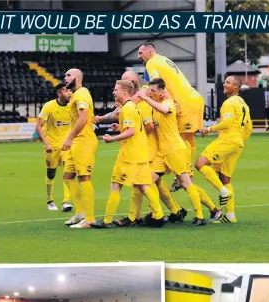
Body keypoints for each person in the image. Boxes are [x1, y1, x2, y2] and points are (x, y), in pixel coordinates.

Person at [91, 80, 165, 229]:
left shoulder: (128, 108)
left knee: (115, 184)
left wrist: (112, 138)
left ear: (125, 91)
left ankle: (106, 221)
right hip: (140, 153)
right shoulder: (131, 107)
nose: (113, 92)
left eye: (116, 90)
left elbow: (131, 132)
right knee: (143, 185)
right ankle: (159, 216)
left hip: (130, 155)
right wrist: (120, 128)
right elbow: (136, 129)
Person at [138, 78, 207, 226]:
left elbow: (164, 110)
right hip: (162, 153)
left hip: (175, 149)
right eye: (149, 90)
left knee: (185, 182)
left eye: (153, 91)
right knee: (146, 180)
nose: (150, 93)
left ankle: (200, 216)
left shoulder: (168, 104)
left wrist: (144, 97)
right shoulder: (155, 106)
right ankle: (157, 215)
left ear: (162, 91)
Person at [138, 43, 204, 190]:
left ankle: (184, 175)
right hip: (194, 98)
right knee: (189, 139)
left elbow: (157, 84)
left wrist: (172, 102)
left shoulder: (151, 63)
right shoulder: (163, 59)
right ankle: (186, 175)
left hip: (184, 102)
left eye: (141, 52)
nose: (139, 55)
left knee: (181, 139)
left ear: (150, 52)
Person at [195, 76, 249, 212]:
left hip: (227, 141)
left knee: (200, 164)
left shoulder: (229, 103)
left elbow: (227, 123)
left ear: (236, 87)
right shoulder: (243, 104)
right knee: (225, 177)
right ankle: (230, 215)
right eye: (225, 82)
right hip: (237, 143)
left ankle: (223, 191)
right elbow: (249, 127)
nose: (224, 84)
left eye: (228, 83)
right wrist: (241, 141)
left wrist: (208, 129)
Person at [62, 68, 98, 228]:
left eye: (68, 75)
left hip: (84, 141)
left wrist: (69, 137)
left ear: (77, 77)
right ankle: (79, 212)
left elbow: (83, 119)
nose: (65, 78)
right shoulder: (75, 95)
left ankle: (89, 219)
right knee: (68, 176)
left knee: (84, 178)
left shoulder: (82, 93)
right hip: (76, 141)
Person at [35, 83, 73, 212]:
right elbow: (38, 126)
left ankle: (66, 201)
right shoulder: (49, 106)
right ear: (59, 93)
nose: (69, 93)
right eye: (66, 90)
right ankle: (50, 200)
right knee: (51, 173)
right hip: (52, 145)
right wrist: (46, 143)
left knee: (68, 172)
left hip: (66, 146)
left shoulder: (72, 106)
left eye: (69, 90)